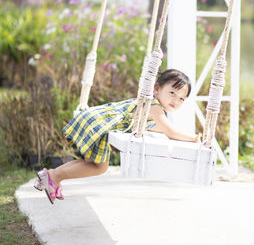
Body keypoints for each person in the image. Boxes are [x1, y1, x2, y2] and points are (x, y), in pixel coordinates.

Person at [34, 69, 201, 204]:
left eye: (181, 99)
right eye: (172, 93)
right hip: (101, 125)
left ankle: (50, 175)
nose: (176, 101)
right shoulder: (155, 108)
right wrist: (194, 138)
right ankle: (55, 177)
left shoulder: (150, 104)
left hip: (95, 119)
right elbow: (170, 132)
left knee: (90, 163)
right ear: (156, 88)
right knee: (100, 167)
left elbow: (156, 128)